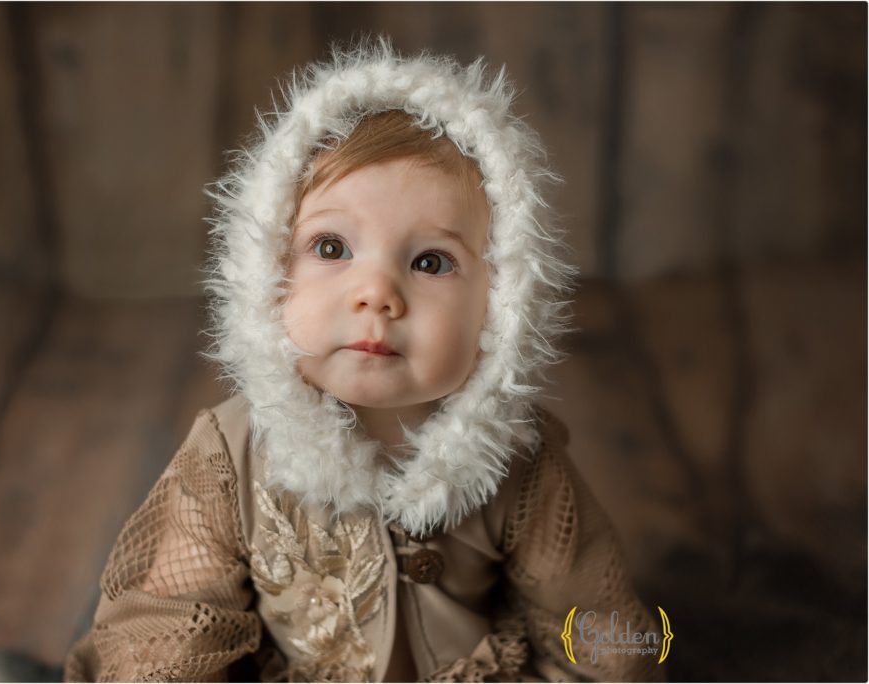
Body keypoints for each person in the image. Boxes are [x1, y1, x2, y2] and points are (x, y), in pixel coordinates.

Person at [65, 41, 660, 682]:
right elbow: (166, 620)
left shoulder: (517, 462)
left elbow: (598, 628)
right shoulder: (231, 454)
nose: (375, 293)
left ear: (501, 305)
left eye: (430, 261)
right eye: (331, 246)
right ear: (265, 270)